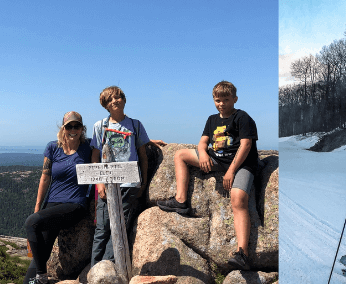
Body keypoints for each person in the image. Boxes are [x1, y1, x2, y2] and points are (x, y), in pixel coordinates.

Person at [0, 111, 92, 284]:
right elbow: (44, 177)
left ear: (82, 128)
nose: (73, 130)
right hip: (52, 204)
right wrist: (37, 206)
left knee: (31, 222)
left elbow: (114, 141)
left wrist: (146, 141)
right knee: (40, 250)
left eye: (76, 126)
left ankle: (41, 278)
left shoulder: (89, 147)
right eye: (69, 126)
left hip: (75, 205)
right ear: (63, 128)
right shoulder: (53, 147)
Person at [158, 81, 259, 270]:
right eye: (218, 100)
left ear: (235, 99)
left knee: (238, 199)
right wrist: (203, 153)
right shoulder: (212, 119)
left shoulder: (242, 117)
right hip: (218, 159)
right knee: (180, 154)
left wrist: (230, 172)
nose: (221, 104)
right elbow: (203, 142)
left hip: (242, 163)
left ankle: (242, 253)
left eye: (226, 100)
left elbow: (246, 145)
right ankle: (181, 201)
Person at [90, 86, 165, 266]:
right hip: (107, 183)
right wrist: (99, 184)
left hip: (129, 184)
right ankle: (94, 269)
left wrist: (143, 182)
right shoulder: (100, 126)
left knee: (120, 227)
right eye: (110, 100)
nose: (115, 101)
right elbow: (95, 156)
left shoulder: (136, 125)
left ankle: (106, 268)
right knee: (102, 228)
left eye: (118, 97)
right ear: (105, 105)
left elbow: (142, 156)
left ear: (124, 100)